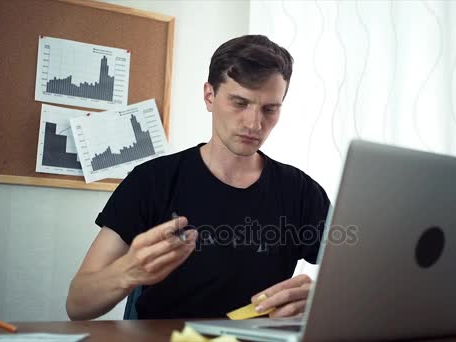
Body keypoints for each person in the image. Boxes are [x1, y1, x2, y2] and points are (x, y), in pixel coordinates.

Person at [66, 35, 331, 320]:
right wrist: (127, 271)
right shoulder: (152, 181)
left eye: (270, 109)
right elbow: (78, 304)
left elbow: (361, 287)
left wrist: (319, 299)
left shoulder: (302, 193)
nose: (254, 124)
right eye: (240, 103)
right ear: (209, 96)